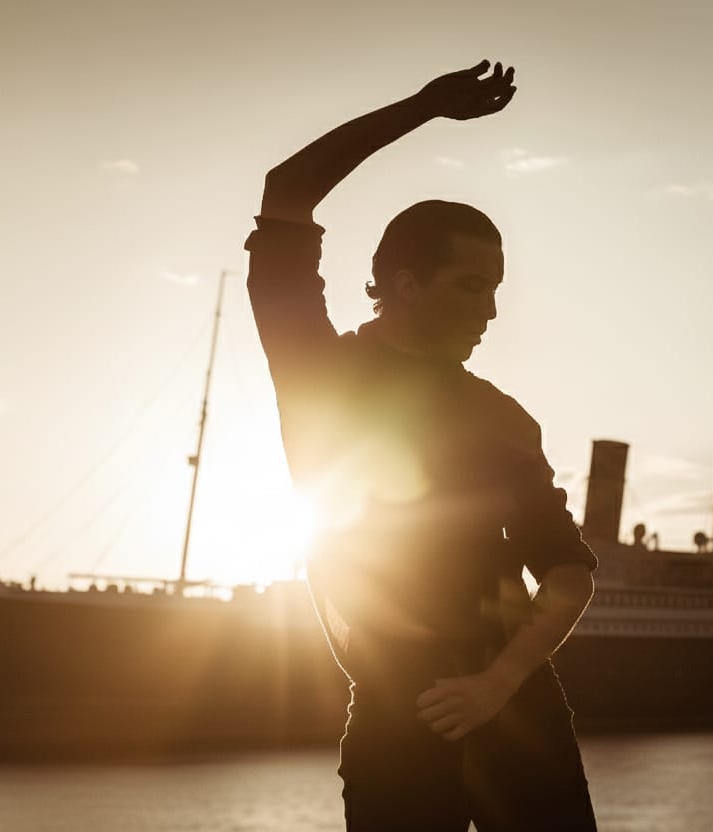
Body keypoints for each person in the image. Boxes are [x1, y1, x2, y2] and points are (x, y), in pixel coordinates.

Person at [245, 60, 600, 831]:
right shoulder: (317, 371)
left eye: (496, 288)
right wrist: (422, 108)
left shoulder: (503, 417)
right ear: (405, 284)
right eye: (472, 286)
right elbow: (287, 191)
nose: (491, 310)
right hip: (396, 726)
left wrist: (497, 684)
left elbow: (568, 570)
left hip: (522, 720)